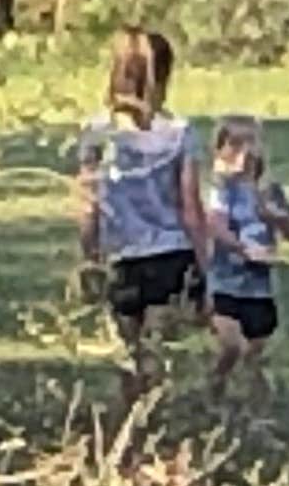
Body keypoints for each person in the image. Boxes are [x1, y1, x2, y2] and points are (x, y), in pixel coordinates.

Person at [74, 28, 205, 405]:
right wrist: (206, 264)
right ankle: (155, 421)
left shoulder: (98, 133)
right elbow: (190, 207)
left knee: (128, 358)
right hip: (171, 255)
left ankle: (130, 426)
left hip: (120, 259)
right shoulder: (179, 133)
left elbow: (87, 202)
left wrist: (89, 257)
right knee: (157, 354)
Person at [201, 114, 289, 421]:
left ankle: (256, 412)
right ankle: (214, 389)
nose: (244, 152)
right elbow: (215, 225)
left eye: (250, 143)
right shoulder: (222, 189)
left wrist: (276, 218)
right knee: (231, 344)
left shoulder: (271, 191)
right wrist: (241, 248)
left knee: (255, 353)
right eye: (234, 144)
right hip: (225, 280)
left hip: (259, 286)